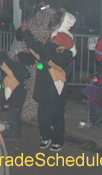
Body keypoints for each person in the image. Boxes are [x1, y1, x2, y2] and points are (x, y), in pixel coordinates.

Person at [20, 17, 74, 152]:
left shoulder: (65, 53)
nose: (52, 38)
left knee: (57, 118)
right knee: (43, 117)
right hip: (43, 90)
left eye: (55, 38)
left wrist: (46, 46)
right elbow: (33, 45)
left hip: (56, 90)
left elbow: (56, 61)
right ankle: (46, 137)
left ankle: (57, 141)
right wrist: (25, 32)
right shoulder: (46, 49)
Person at [0, 50, 33, 140]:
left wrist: (1, 52)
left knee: (13, 113)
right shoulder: (23, 68)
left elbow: (3, 62)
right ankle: (15, 130)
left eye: (17, 56)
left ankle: (14, 132)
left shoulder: (16, 67)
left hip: (15, 94)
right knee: (15, 112)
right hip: (19, 93)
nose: (14, 56)